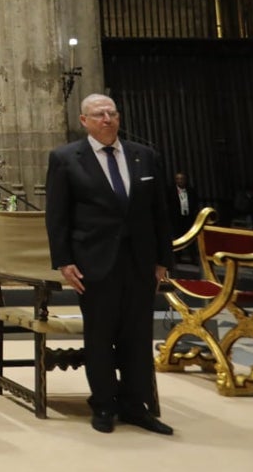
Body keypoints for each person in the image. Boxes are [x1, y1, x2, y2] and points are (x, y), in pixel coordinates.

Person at [45, 93, 174, 435]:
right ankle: (103, 404)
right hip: (93, 261)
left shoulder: (143, 156)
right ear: (83, 121)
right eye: (98, 114)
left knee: (137, 334)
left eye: (112, 113)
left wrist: (163, 259)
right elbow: (57, 216)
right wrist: (64, 261)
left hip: (140, 262)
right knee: (99, 335)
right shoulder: (65, 158)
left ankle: (136, 405)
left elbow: (160, 212)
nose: (107, 119)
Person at [168, 172, 200, 245]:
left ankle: (192, 254)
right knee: (178, 237)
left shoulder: (191, 191)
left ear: (185, 180)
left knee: (190, 236)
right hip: (177, 218)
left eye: (182, 179)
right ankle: (178, 255)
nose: (180, 181)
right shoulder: (171, 192)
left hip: (189, 217)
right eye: (178, 179)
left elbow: (195, 203)